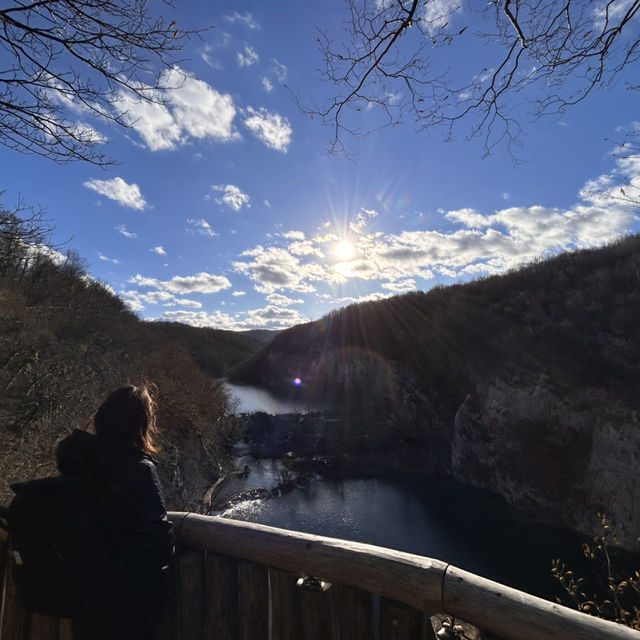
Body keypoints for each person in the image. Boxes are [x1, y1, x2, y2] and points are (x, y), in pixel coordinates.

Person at [56, 382, 174, 640]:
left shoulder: (77, 461)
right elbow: (157, 537)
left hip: (84, 595)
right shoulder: (139, 469)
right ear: (141, 424)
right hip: (127, 601)